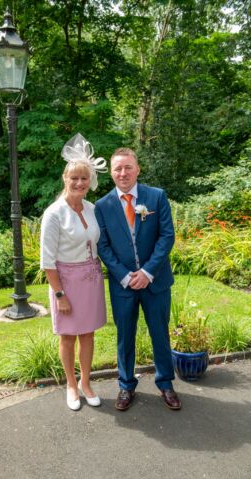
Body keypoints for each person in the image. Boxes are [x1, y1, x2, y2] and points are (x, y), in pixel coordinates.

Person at [95, 148, 181, 411]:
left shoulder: (156, 197)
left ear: (137, 168)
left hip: (155, 282)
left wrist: (147, 272)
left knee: (160, 334)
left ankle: (166, 384)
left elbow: (167, 236)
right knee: (125, 337)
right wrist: (124, 276)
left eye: (127, 167)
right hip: (123, 286)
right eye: (117, 168)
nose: (123, 173)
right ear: (111, 172)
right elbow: (103, 246)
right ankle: (126, 385)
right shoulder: (102, 205)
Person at [40, 133, 107, 411]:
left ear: (90, 181)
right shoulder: (54, 213)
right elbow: (47, 261)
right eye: (74, 178)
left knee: (88, 334)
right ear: (65, 179)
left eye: (84, 178)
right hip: (65, 282)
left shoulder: (92, 209)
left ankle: (86, 382)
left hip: (91, 279)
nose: (79, 183)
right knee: (68, 336)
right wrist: (59, 295)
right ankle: (70, 384)